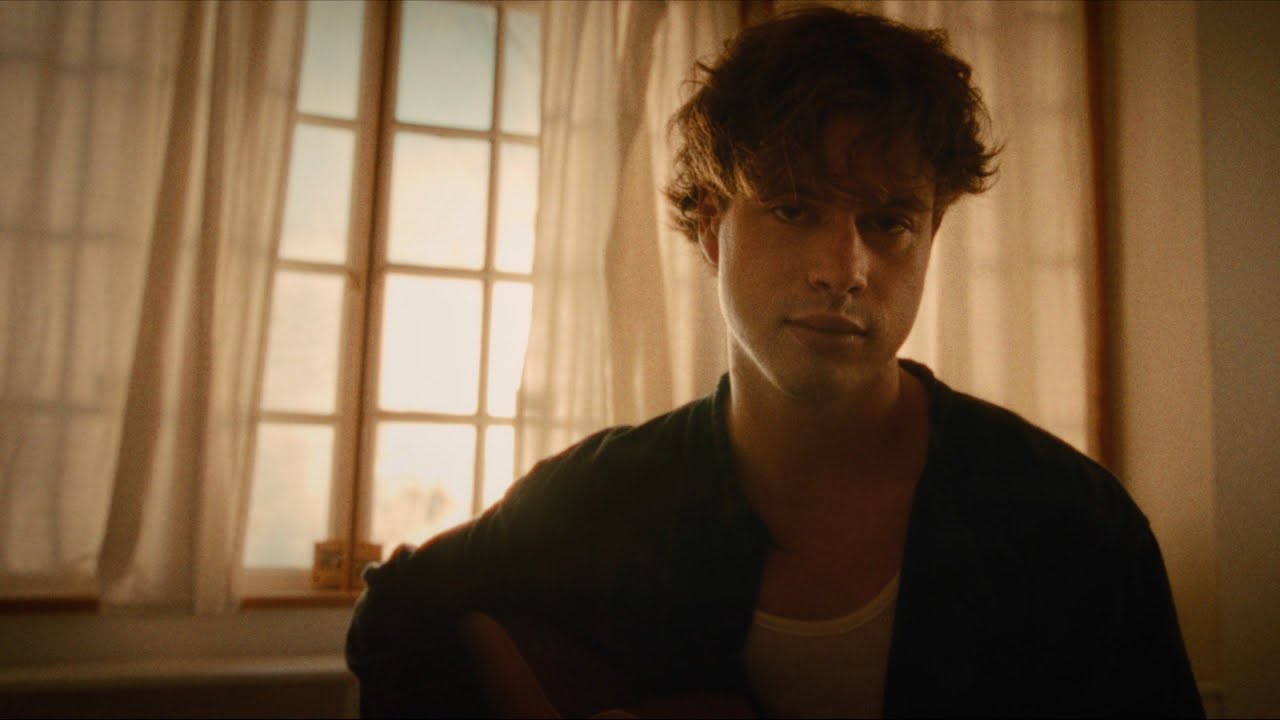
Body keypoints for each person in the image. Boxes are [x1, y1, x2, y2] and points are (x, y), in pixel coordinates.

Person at [346, 7, 1203, 718]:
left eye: (888, 223)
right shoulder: (603, 497)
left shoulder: (1072, 527)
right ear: (713, 229)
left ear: (930, 235)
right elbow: (394, 617)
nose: (844, 267)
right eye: (795, 209)